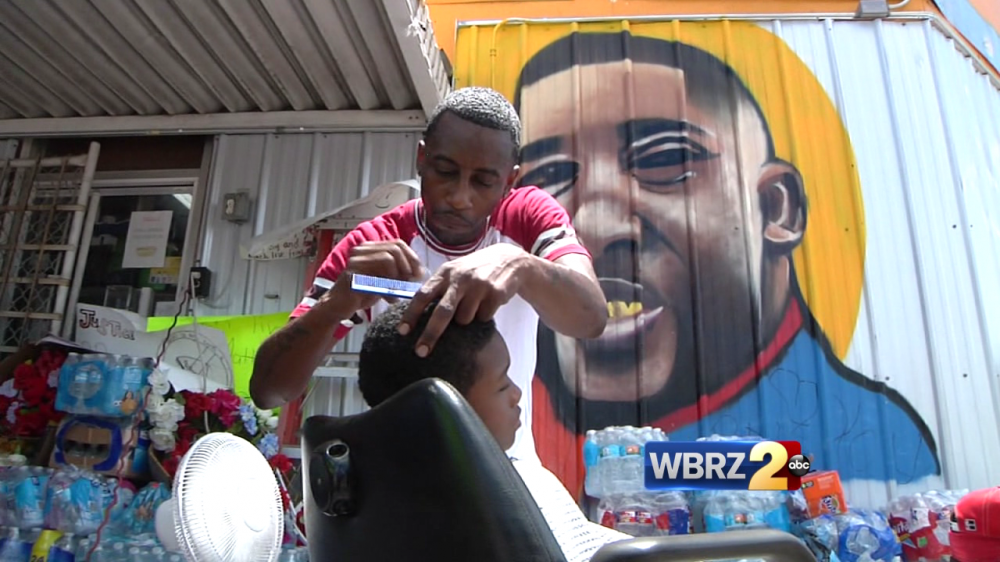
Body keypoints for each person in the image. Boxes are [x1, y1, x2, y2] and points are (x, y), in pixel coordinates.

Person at [511, 31, 939, 494]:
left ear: (775, 208)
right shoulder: (502, 407)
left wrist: (659, 471)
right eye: (548, 176)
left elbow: (797, 474)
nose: (594, 228)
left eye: (665, 160)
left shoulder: (867, 443)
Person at [249, 87, 608, 464]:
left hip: (507, 474)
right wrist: (333, 305)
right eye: (445, 171)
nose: (459, 197)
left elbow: (592, 318)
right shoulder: (377, 245)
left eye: (483, 181)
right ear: (421, 158)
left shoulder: (526, 219)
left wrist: (520, 266)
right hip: (405, 478)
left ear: (509, 181)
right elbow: (269, 391)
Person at [358, 301, 631, 562]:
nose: (517, 393)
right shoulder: (526, 490)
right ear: (442, 412)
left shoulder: (363, 504)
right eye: (502, 385)